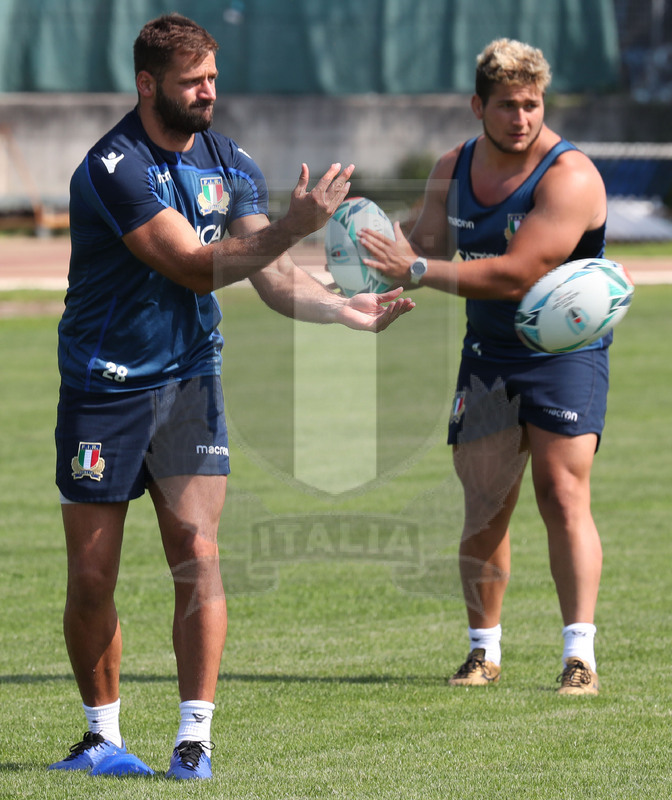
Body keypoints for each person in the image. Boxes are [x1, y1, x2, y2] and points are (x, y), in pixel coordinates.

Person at [50, 13, 414, 781]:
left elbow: (270, 275)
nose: (209, 91)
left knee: (198, 553)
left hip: (189, 383)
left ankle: (194, 742)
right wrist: (294, 226)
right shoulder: (113, 167)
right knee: (91, 576)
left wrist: (341, 309)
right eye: (193, 81)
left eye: (213, 77)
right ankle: (100, 738)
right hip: (104, 389)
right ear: (149, 84)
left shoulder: (231, 160)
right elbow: (194, 265)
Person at [358, 38, 608, 696]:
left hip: (564, 357)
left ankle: (579, 655)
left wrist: (414, 268)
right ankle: (482, 653)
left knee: (562, 495)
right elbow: (430, 239)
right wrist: (359, 243)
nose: (521, 118)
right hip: (488, 357)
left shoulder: (569, 175)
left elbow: (519, 272)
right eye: (506, 106)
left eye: (531, 105)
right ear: (477, 106)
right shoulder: (454, 165)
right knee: (484, 508)